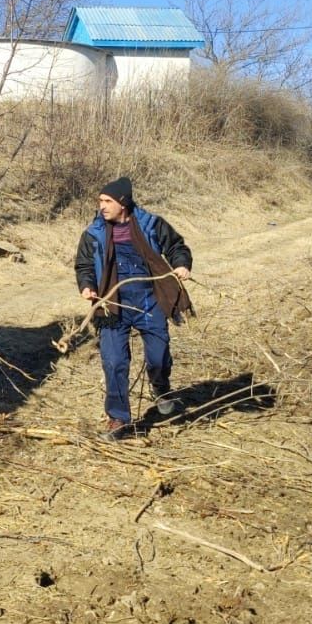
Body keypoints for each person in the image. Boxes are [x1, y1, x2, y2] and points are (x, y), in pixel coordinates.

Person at [74, 177, 194, 439]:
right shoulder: (92, 233)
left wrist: (182, 263)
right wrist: (87, 286)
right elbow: (84, 265)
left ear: (123, 203)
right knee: (114, 361)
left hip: (149, 299)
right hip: (111, 303)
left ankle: (160, 386)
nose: (102, 206)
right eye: (100, 201)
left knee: (159, 355)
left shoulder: (151, 224)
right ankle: (119, 420)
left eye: (108, 201)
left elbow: (176, 246)